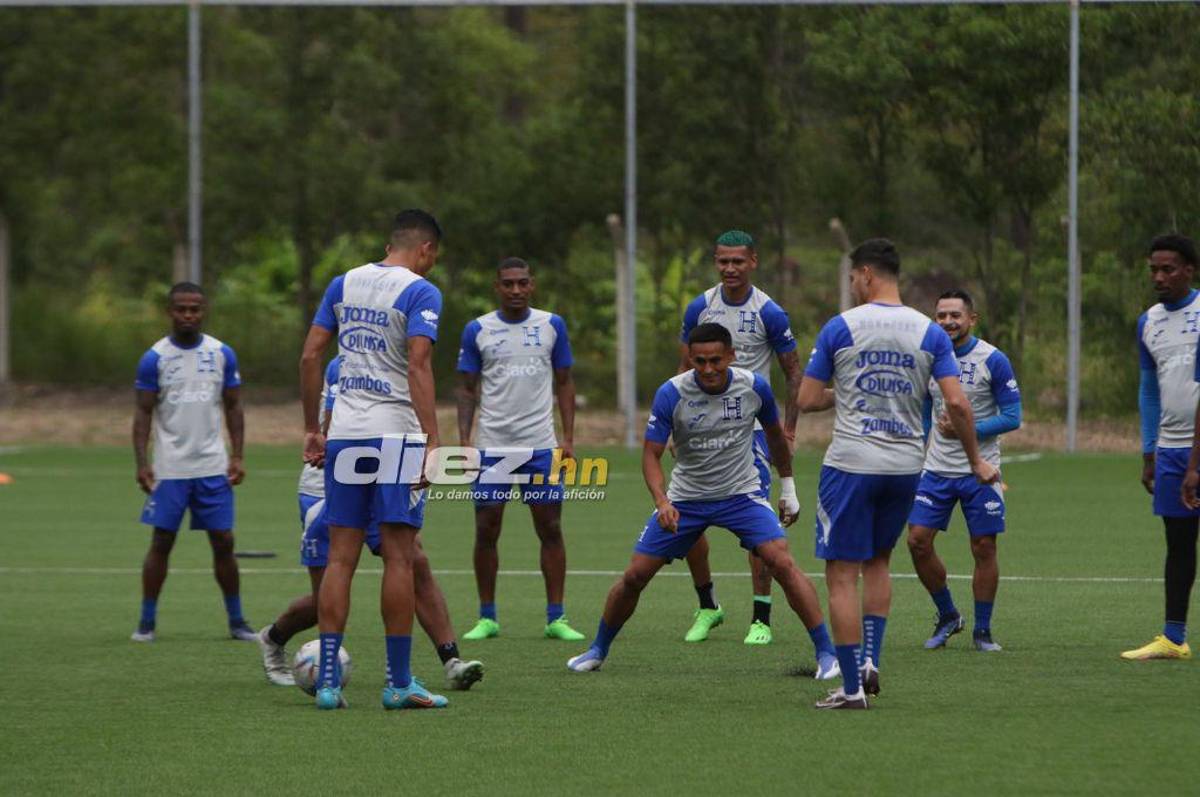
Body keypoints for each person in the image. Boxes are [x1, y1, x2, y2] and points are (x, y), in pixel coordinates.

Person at [566, 323, 839, 680]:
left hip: (741, 495)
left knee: (781, 562)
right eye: (699, 362)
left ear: (731, 356)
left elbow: (775, 439)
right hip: (686, 499)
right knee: (635, 575)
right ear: (689, 359)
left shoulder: (753, 387)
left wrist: (787, 489)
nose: (708, 369)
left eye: (715, 360)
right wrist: (662, 501)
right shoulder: (671, 394)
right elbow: (651, 455)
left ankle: (827, 654)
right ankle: (597, 649)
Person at [798, 239, 998, 709]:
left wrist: (843, 392)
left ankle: (850, 689)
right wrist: (975, 460)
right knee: (880, 563)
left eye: (852, 278)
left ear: (866, 274)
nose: (852, 286)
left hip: (851, 465)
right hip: (907, 466)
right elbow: (956, 402)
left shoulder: (840, 327)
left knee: (842, 575)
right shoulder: (929, 332)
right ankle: (870, 661)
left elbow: (806, 399)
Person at [257, 356, 483, 690]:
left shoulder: (407, 363)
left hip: (379, 477)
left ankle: (451, 661)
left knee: (413, 560)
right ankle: (273, 638)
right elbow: (331, 422)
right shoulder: (346, 364)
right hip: (325, 487)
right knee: (325, 600)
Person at [299, 209, 447, 710]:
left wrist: (313, 430)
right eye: (434, 257)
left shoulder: (344, 283)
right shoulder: (421, 291)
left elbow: (310, 357)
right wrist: (432, 439)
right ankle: (398, 682)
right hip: (395, 436)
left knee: (341, 558)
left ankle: (326, 684)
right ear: (425, 249)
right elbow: (418, 364)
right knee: (400, 558)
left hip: (345, 435)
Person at [675, 230, 802, 646]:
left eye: (738, 261)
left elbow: (792, 372)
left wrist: (789, 429)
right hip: (698, 430)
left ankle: (760, 618)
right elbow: (682, 371)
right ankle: (708, 605)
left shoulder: (770, 312)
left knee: (758, 528)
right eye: (723, 261)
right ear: (716, 262)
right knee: (689, 519)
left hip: (749, 432)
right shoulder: (700, 307)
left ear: (753, 262)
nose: (730, 268)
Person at [456, 257, 586, 642]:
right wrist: (464, 442)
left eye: (522, 283)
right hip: (492, 448)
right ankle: (487, 616)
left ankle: (556, 617)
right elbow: (465, 388)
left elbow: (565, 382)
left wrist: (568, 438)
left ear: (532, 285)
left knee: (550, 527)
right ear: (497, 287)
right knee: (486, 528)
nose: (516, 290)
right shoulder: (477, 329)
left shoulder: (551, 326)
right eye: (508, 284)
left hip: (540, 446)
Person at [131, 282, 254, 643]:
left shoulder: (221, 354)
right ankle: (146, 622)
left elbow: (234, 406)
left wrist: (239, 455)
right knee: (162, 541)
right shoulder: (154, 358)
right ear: (170, 312)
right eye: (181, 309)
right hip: (170, 469)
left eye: (195, 309)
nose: (188, 315)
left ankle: (236, 621)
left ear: (203, 311)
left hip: (213, 466)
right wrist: (142, 462)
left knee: (223, 541)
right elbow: (142, 412)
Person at [906, 290, 1021, 652]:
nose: (948, 322)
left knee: (983, 546)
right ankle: (948, 615)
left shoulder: (993, 359)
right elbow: (925, 407)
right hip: (935, 470)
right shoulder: (927, 358)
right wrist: (923, 444)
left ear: (972, 319)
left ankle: (983, 631)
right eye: (941, 316)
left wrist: (968, 430)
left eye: (955, 315)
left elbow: (1013, 417)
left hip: (981, 471)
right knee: (917, 541)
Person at [1125, 234, 1200, 660]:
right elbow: (1149, 390)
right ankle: (1174, 638)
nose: (1159, 276)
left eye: (1168, 268)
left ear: (1189, 269)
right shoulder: (1147, 322)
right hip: (1172, 449)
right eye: (1154, 269)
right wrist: (1149, 452)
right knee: (1179, 543)